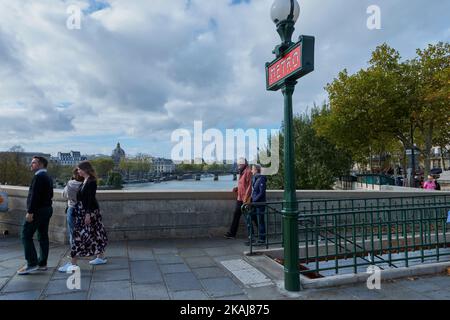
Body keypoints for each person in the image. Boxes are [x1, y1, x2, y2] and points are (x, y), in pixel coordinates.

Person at [58, 161, 108, 272]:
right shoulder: (86, 181)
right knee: (95, 234)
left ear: (85, 169)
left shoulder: (91, 182)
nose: (78, 171)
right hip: (86, 212)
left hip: (86, 212)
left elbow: (89, 199)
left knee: (77, 237)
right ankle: (100, 257)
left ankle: (73, 264)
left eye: (79, 169)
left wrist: (87, 215)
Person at [17, 156, 53, 275]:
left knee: (25, 235)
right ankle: (42, 263)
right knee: (43, 236)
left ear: (41, 164)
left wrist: (30, 212)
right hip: (47, 209)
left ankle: (32, 264)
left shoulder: (38, 177)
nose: (31, 164)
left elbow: (34, 197)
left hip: (37, 211)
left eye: (34, 162)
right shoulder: (47, 176)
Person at [224, 158, 252, 239]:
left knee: (249, 217)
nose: (238, 166)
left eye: (239, 164)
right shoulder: (242, 172)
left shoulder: (248, 172)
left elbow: (249, 186)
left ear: (243, 164)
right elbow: (243, 185)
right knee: (236, 215)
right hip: (240, 198)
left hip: (245, 199)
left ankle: (253, 235)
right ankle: (232, 233)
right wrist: (237, 188)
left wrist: (246, 200)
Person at [245, 164, 267, 246]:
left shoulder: (261, 179)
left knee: (260, 221)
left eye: (252, 169)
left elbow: (261, 192)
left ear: (256, 170)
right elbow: (254, 191)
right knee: (249, 218)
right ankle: (252, 238)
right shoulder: (255, 178)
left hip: (260, 204)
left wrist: (254, 200)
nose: (251, 171)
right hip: (254, 203)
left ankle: (262, 239)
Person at [62, 168, 84, 246]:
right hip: (83, 209)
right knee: (84, 231)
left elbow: (64, 195)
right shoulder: (86, 184)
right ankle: (83, 250)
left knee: (73, 232)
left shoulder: (70, 183)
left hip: (72, 208)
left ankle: (74, 251)